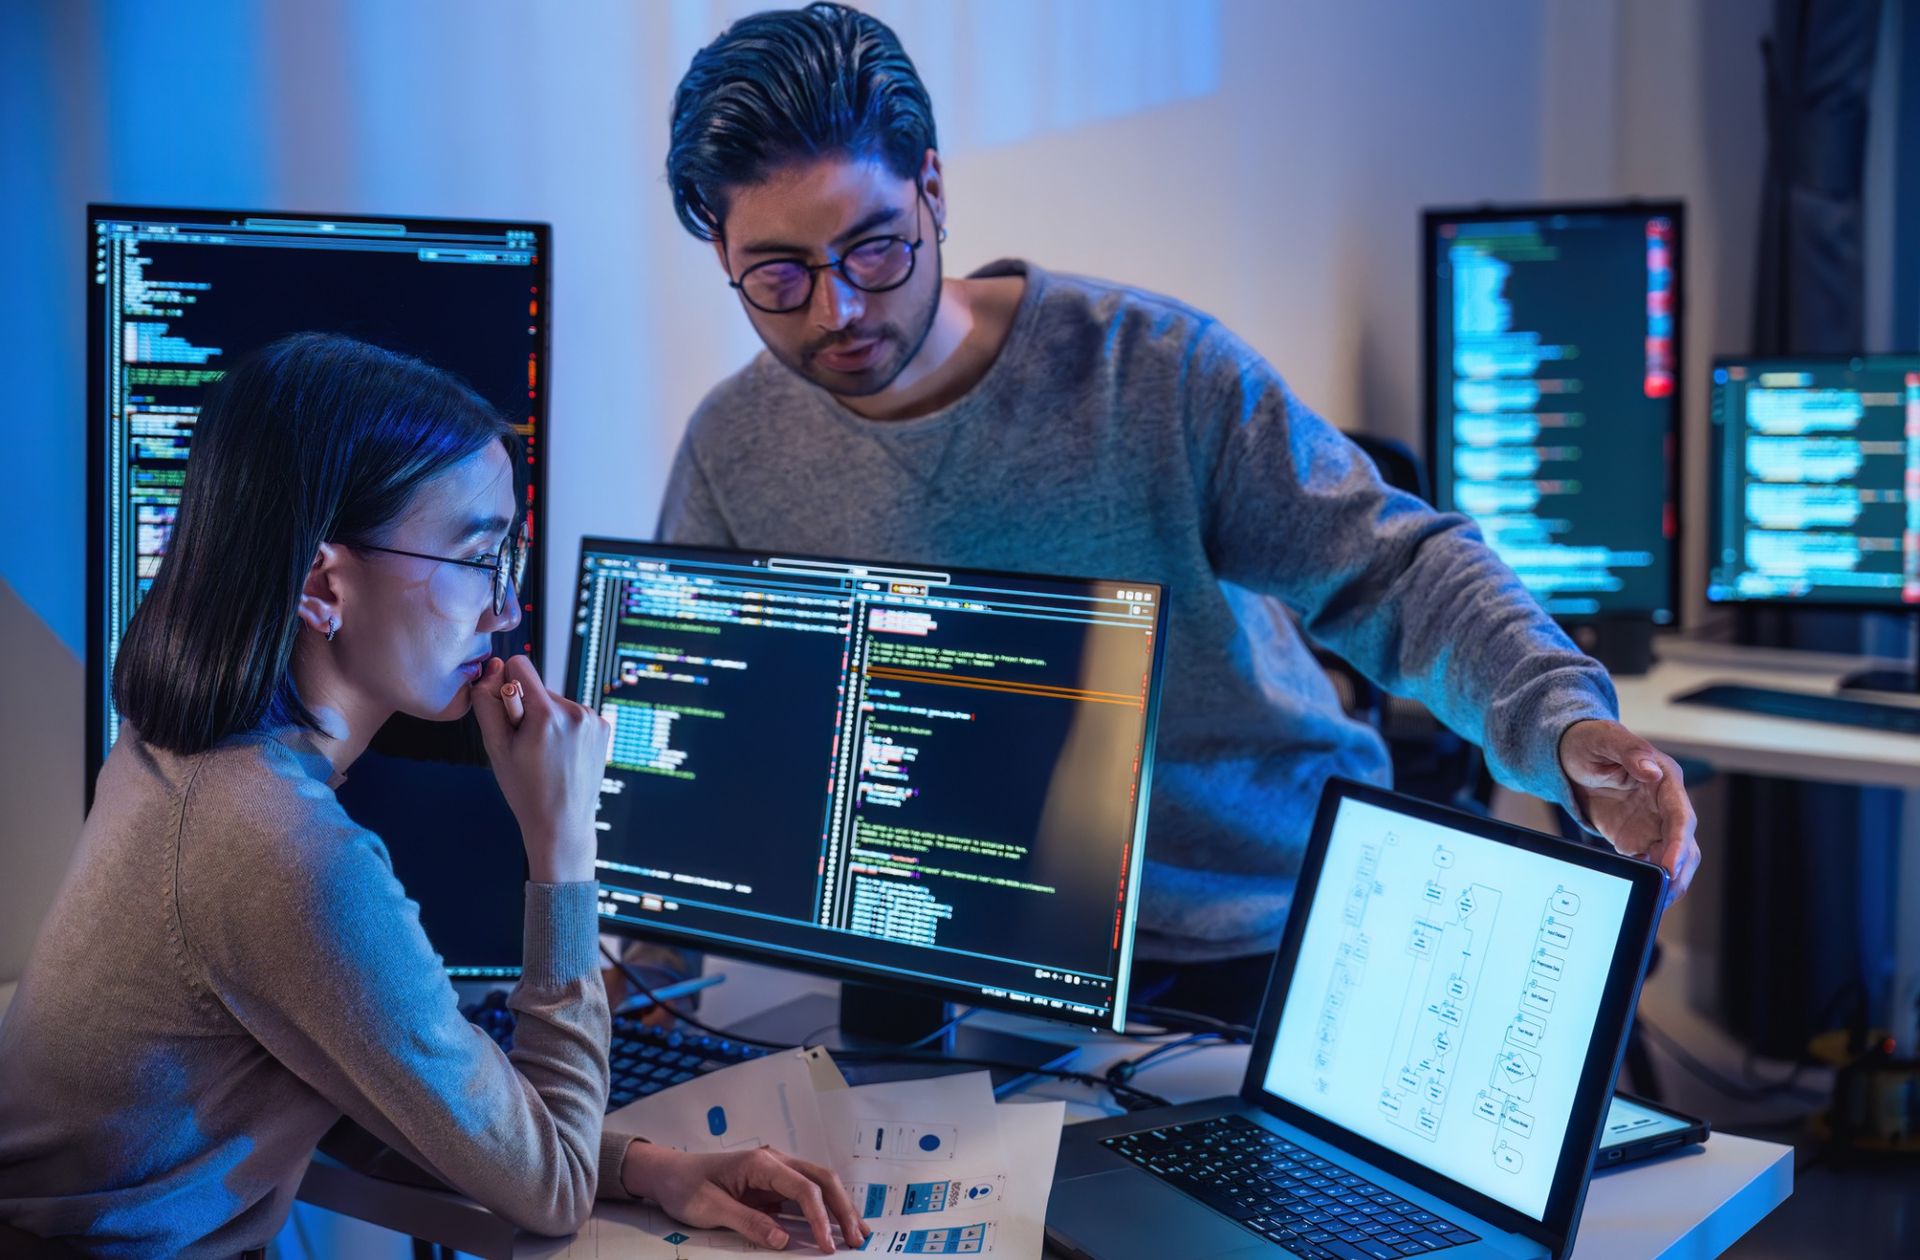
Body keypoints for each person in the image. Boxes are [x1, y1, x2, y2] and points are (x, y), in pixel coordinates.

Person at [656, 3, 1701, 1023]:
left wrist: (1562, 725)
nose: (835, 309)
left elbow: (1398, 574)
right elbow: (694, 748)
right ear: (724, 260)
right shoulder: (735, 446)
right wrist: (641, 983)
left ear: (931, 189)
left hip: (1247, 928)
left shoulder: (1154, 373)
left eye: (873, 249)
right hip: (956, 944)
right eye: (780, 276)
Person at [0, 335, 866, 1257]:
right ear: (323, 584)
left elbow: (361, 1081)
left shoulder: (173, 755)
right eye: (477, 558)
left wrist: (650, 1167)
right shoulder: (284, 851)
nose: (505, 612)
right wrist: (563, 843)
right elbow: (554, 1192)